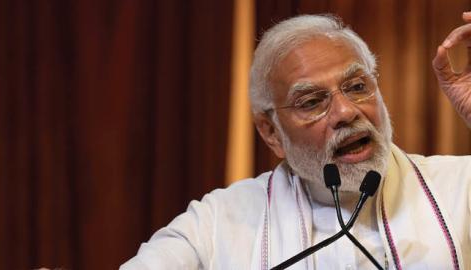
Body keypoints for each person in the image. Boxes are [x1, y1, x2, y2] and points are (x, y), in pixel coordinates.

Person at [121, 12, 471, 269]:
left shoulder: (459, 186)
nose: (346, 112)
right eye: (312, 102)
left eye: (357, 86)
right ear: (271, 133)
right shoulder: (220, 221)